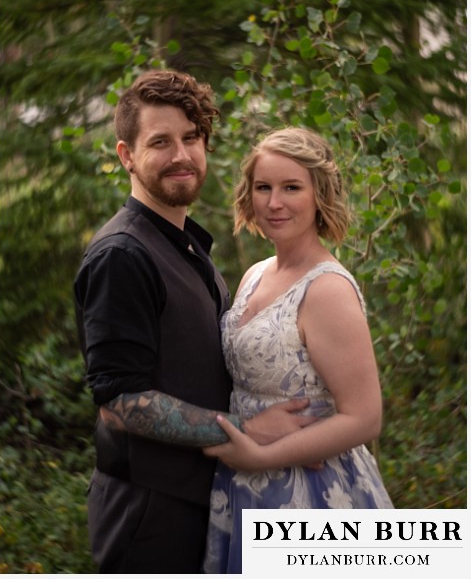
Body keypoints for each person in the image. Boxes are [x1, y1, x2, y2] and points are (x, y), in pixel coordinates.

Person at [74, 69, 316, 573]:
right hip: (149, 511)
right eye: (160, 142)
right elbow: (120, 403)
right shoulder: (122, 255)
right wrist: (250, 429)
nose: (181, 155)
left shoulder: (185, 246)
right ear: (126, 155)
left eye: (191, 138)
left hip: (204, 500)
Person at [201, 127, 393, 573]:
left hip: (311, 495)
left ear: (318, 194)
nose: (274, 202)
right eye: (263, 187)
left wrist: (262, 456)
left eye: (291, 187)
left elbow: (365, 417)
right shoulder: (254, 274)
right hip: (243, 488)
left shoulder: (327, 289)